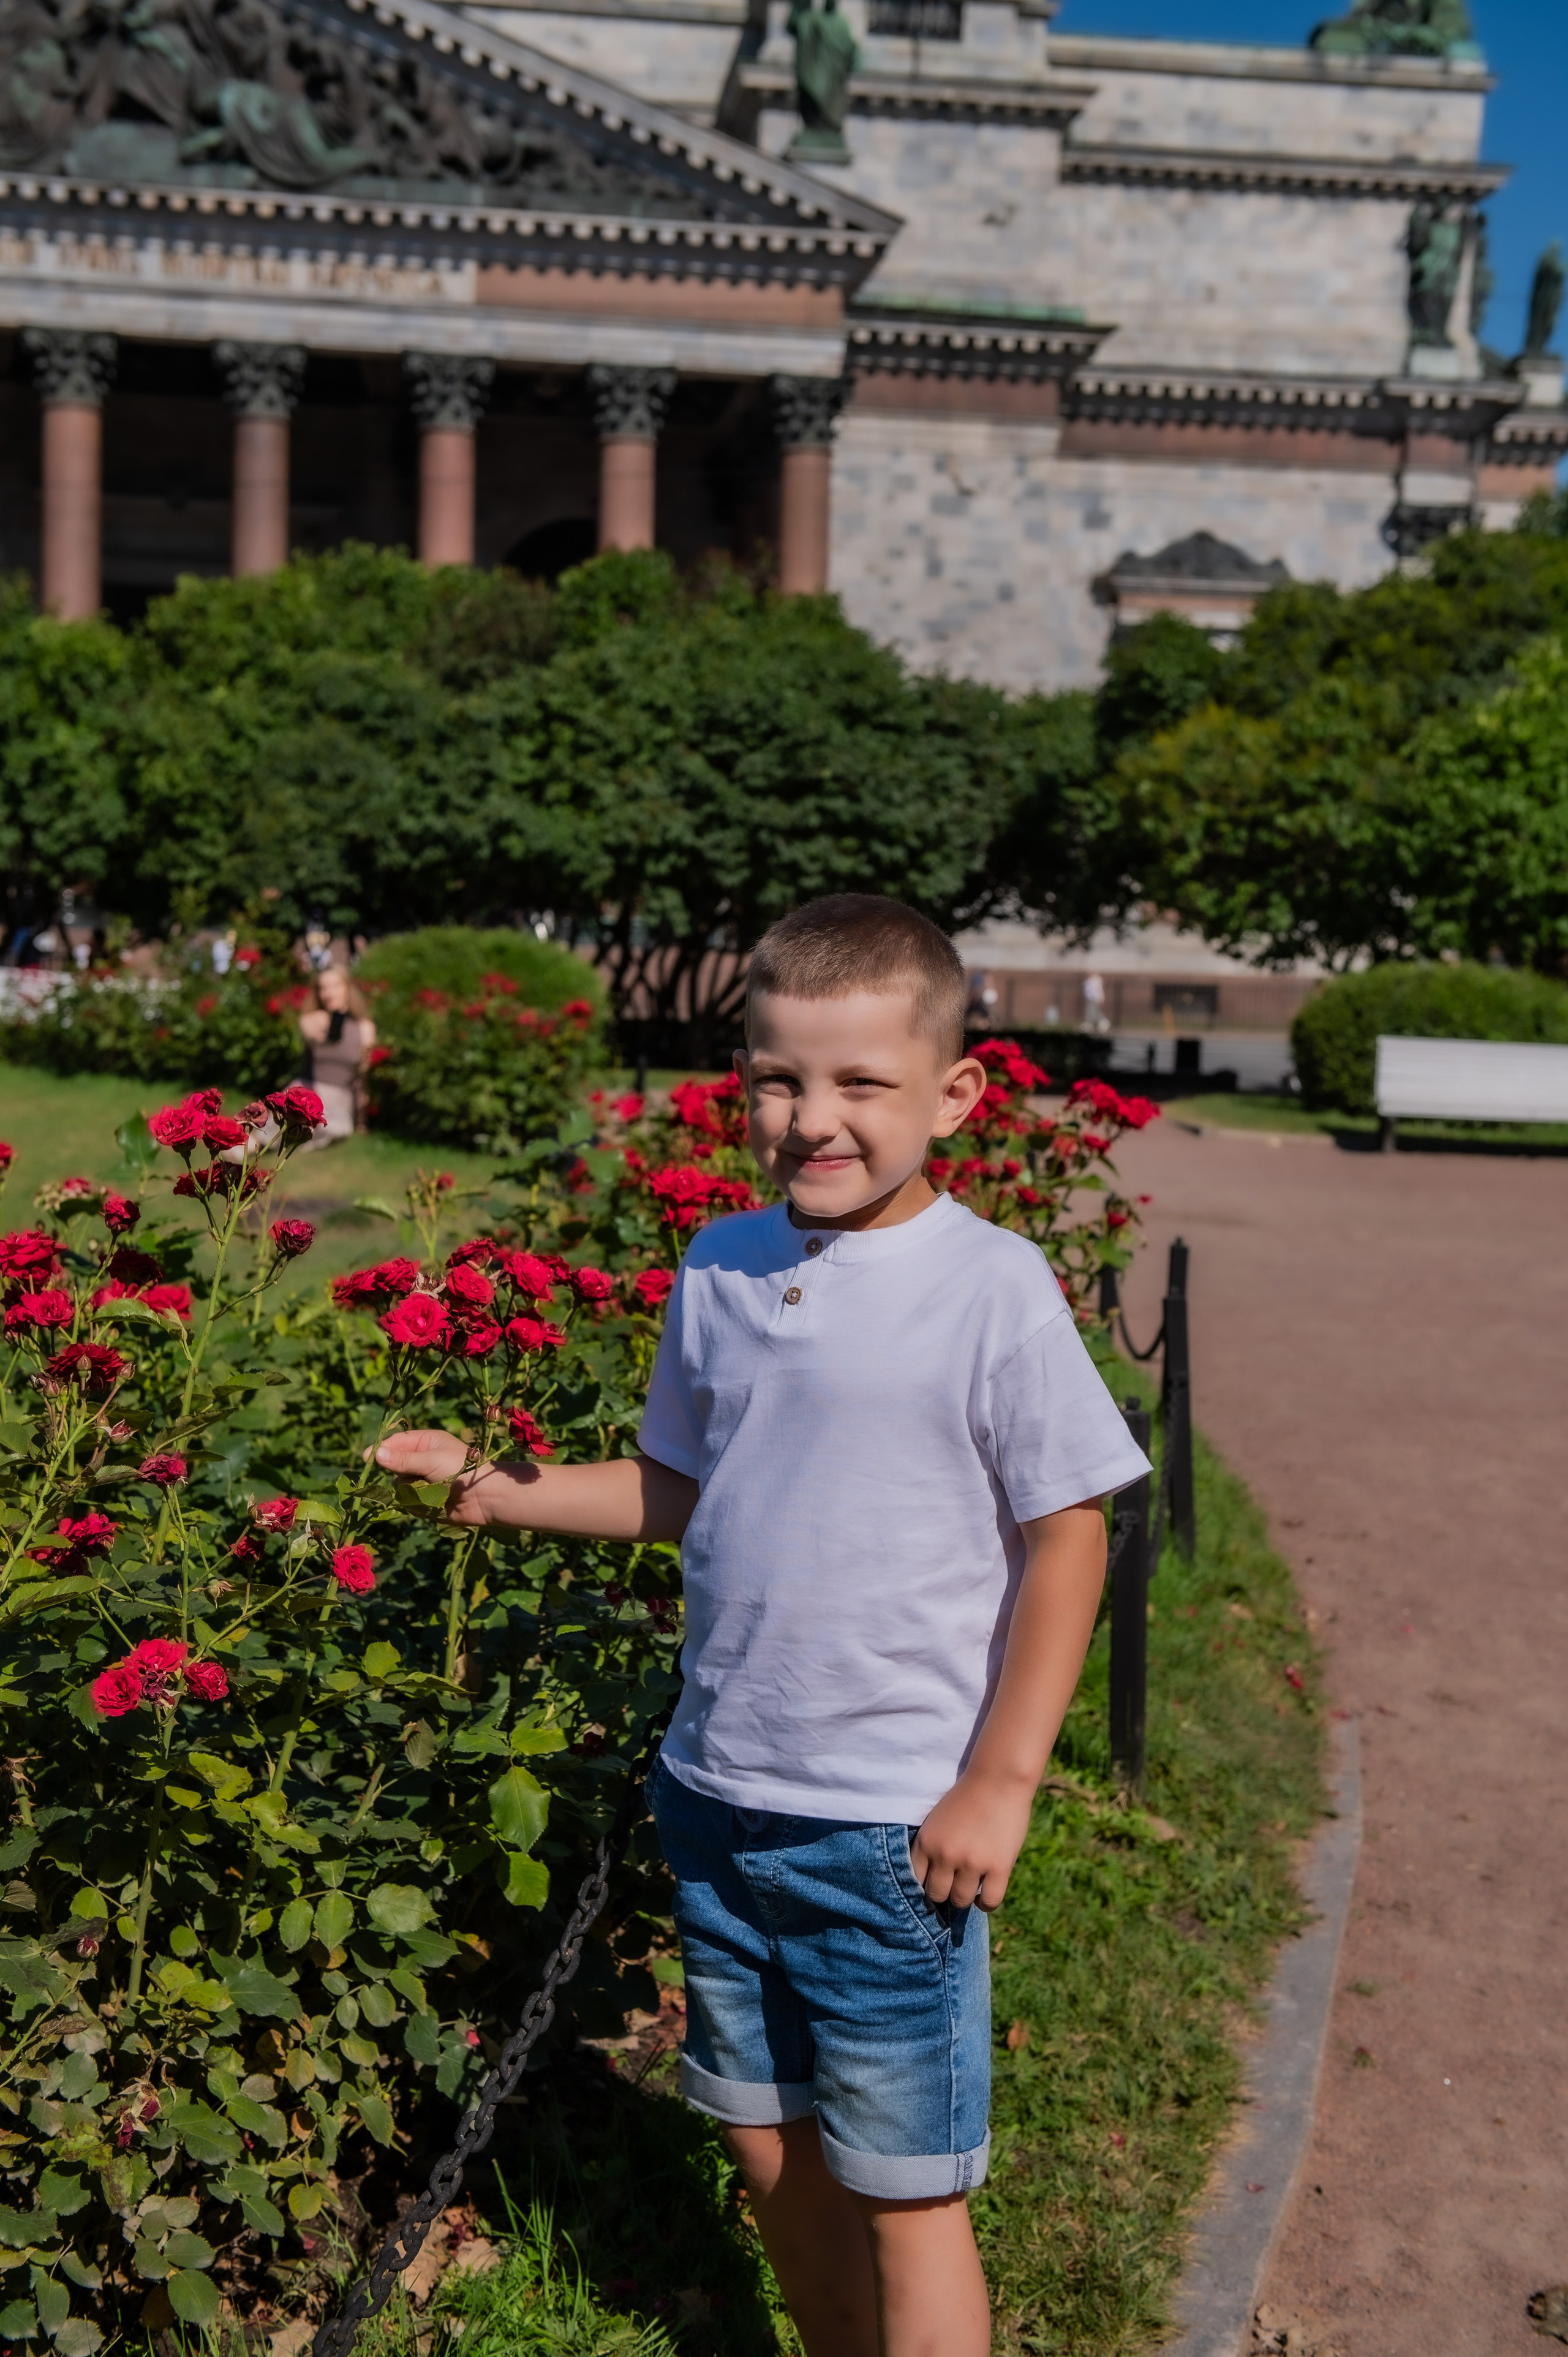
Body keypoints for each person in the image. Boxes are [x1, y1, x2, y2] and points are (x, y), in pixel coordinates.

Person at [379, 896, 1150, 2357]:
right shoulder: (720, 1265)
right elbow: (682, 1486)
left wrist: (1000, 1777)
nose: (814, 1117)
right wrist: (492, 1489)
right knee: (765, 2146)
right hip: (720, 1795)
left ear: (954, 1091)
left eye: (860, 1082)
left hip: (890, 1825)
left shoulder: (989, 1288)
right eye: (779, 1078)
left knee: (904, 2191)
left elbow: (1068, 1533)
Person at [297, 964, 374, 1147]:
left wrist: (362, 1123)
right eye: (323, 988)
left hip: (340, 1099)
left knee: (338, 1129)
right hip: (309, 1090)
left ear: (347, 988)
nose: (329, 993)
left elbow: (363, 1077)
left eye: (335, 986)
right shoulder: (313, 1019)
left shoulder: (364, 1028)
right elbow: (310, 1032)